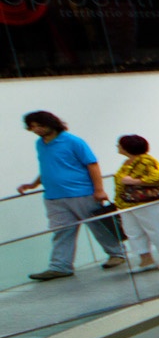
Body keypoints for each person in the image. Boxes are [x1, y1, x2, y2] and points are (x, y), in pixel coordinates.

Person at [18, 112, 125, 279]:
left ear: (50, 124)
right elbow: (48, 166)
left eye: (39, 125)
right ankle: (60, 266)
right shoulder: (40, 144)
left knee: (98, 225)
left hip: (81, 193)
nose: (36, 130)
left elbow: (92, 164)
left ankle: (117, 254)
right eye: (32, 126)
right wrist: (34, 184)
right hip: (53, 196)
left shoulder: (73, 141)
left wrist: (99, 189)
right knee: (62, 231)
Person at [112, 135, 159, 271]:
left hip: (150, 203)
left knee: (158, 229)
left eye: (119, 145)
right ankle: (145, 259)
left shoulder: (147, 161)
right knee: (133, 232)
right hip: (128, 204)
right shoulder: (127, 163)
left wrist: (134, 181)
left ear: (127, 147)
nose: (117, 147)